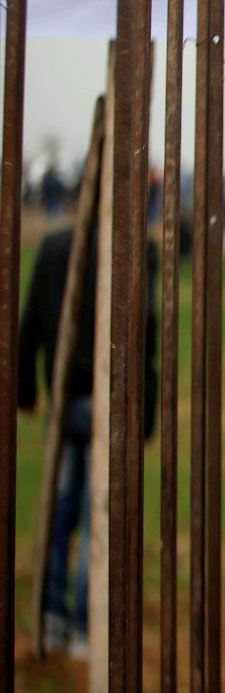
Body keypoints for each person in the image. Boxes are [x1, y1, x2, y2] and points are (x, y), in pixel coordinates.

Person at [18, 225, 158, 657]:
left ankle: (55, 615)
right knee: (92, 512)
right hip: (107, 403)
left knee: (61, 508)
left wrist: (26, 389)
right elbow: (147, 334)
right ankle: (81, 627)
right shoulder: (132, 247)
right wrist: (146, 412)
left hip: (65, 399)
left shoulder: (54, 245)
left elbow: (31, 322)